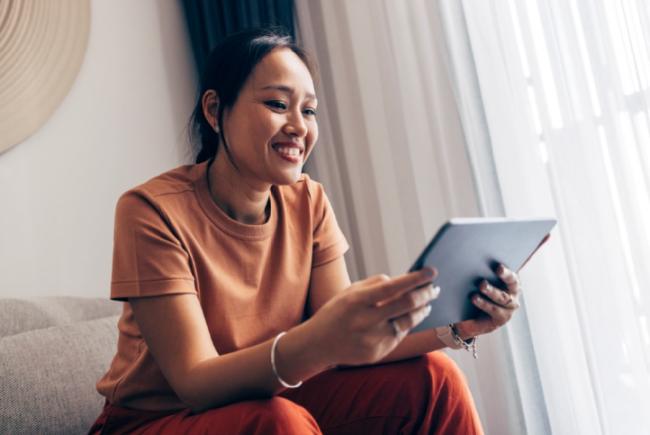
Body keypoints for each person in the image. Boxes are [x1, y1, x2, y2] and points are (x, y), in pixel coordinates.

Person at [88, 27, 526, 435]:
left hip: (274, 399)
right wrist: (318, 340)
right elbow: (195, 383)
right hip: (156, 422)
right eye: (278, 104)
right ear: (215, 110)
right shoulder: (150, 211)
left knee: (436, 378)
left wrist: (457, 329)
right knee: (279, 422)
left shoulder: (308, 200)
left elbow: (353, 344)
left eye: (309, 110)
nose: (299, 125)